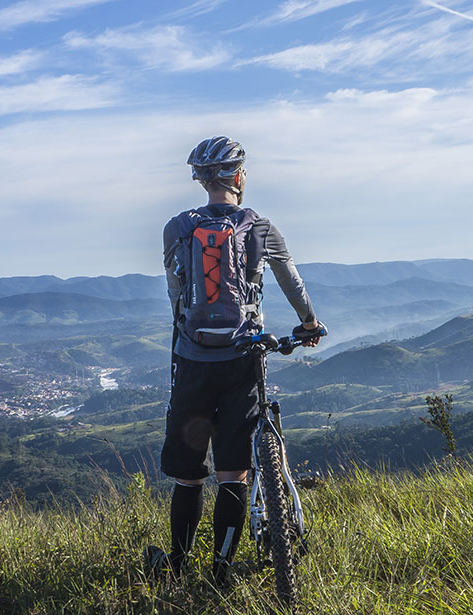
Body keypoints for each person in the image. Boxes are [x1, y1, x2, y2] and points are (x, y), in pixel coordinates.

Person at [145, 136, 322, 584]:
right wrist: (308, 323)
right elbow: (292, 283)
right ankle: (221, 570)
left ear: (201, 180)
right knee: (233, 472)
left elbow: (174, 294)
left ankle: (178, 567)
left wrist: (189, 336)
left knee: (188, 477)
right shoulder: (260, 227)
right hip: (243, 359)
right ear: (239, 176)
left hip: (191, 360)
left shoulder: (177, 228)